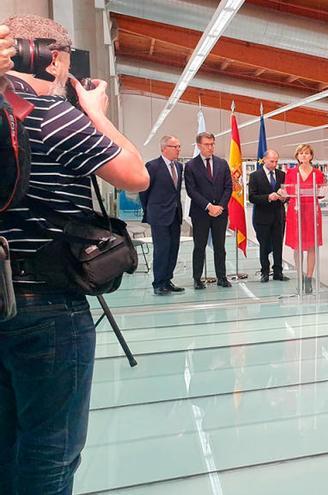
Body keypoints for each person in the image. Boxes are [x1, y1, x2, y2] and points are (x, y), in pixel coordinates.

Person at [0, 15, 147, 494]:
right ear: (54, 57)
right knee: (50, 448)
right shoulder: (48, 112)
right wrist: (95, 110)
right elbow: (135, 174)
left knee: (7, 441)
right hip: (46, 303)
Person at [186, 132, 233, 289]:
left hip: (220, 212)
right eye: (207, 144)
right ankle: (197, 278)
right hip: (201, 213)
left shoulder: (222, 163)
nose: (211, 147)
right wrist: (208, 206)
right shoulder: (191, 165)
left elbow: (228, 187)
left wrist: (220, 206)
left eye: (212, 144)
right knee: (199, 246)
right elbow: (191, 191)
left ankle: (222, 277)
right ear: (199, 145)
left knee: (220, 247)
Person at [140, 135, 185, 295]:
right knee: (161, 249)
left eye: (179, 146)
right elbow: (144, 191)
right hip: (159, 215)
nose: (178, 149)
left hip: (175, 214)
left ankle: (167, 280)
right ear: (164, 148)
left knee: (173, 249)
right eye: (175, 147)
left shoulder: (179, 167)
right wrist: (150, 210)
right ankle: (158, 283)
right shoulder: (152, 166)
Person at [284, 144, 324, 294]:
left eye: (307, 153)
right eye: (301, 153)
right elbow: (288, 191)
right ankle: (299, 275)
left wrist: (322, 191)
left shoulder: (317, 173)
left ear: (311, 156)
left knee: (312, 246)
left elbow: (320, 193)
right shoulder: (291, 172)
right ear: (297, 156)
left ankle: (309, 278)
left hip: (312, 210)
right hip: (296, 210)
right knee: (298, 245)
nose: (304, 156)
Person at [248, 149, 288, 283]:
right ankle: (264, 271)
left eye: (276, 161)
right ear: (264, 160)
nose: (274, 164)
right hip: (262, 216)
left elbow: (287, 194)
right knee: (263, 245)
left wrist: (284, 198)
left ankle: (278, 272)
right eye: (272, 161)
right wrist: (268, 197)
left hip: (278, 216)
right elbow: (252, 197)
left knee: (278, 245)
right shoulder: (255, 176)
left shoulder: (282, 174)